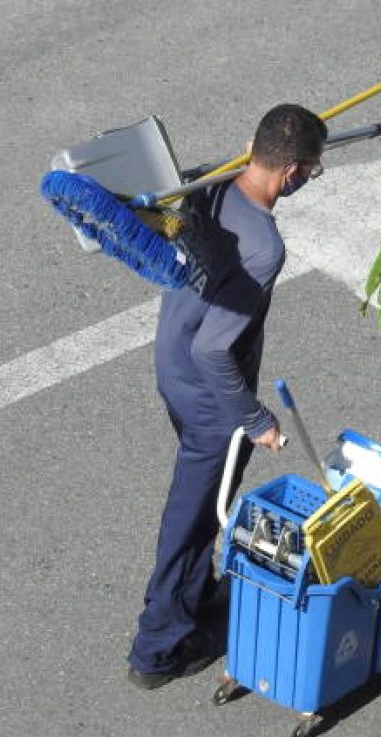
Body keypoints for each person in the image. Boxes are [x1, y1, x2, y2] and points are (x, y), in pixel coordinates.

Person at [127, 104, 328, 689]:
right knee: (190, 520)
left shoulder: (212, 181)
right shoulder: (264, 246)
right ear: (290, 173)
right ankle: (156, 648)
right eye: (312, 172)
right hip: (213, 397)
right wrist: (255, 418)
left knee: (200, 503)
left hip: (171, 363)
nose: (309, 180)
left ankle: (193, 598)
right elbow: (217, 350)